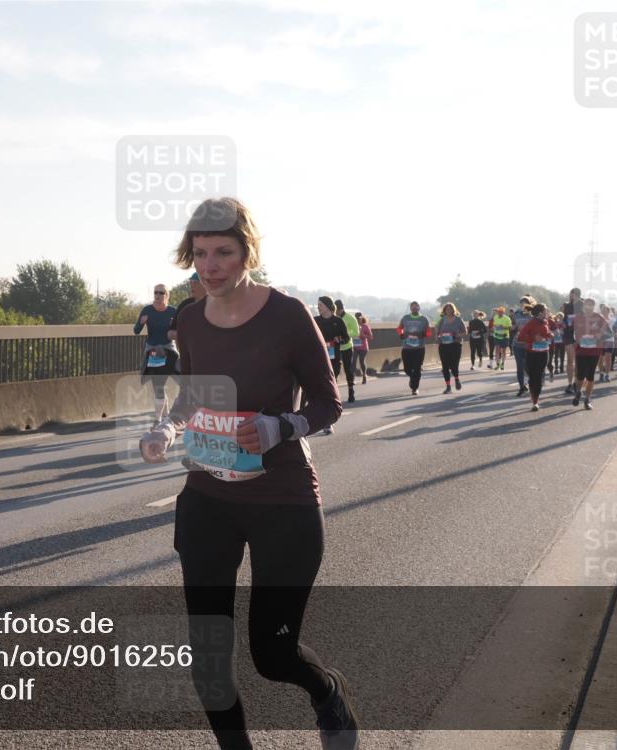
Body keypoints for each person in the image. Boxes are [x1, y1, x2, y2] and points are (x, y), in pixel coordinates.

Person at [138, 197, 358, 750]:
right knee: (209, 660)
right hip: (208, 500)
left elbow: (328, 405)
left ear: (248, 252)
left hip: (283, 501)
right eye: (200, 254)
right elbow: (194, 394)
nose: (209, 266)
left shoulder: (288, 315)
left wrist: (280, 426)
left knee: (274, 655)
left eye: (223, 252)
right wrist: (168, 428)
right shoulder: (189, 318)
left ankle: (327, 691)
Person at [134, 284, 178, 424]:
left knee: (181, 379)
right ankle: (163, 417)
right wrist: (141, 323)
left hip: (168, 349)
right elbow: (136, 330)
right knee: (158, 385)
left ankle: (162, 417)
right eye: (156, 293)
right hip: (153, 350)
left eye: (161, 293)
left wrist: (174, 326)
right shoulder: (147, 310)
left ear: (166, 295)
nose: (158, 295)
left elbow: (182, 332)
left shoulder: (173, 312)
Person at [313, 297, 348, 434]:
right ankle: (326, 422)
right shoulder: (315, 321)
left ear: (328, 306)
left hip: (334, 359)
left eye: (320, 305)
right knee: (321, 389)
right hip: (318, 359)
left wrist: (339, 339)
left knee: (329, 389)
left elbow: (346, 338)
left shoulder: (338, 321)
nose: (318, 307)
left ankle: (328, 420)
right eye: (317, 305)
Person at [572, 297, 612, 410]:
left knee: (590, 375)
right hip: (581, 350)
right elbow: (571, 332)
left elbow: (610, 333)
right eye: (587, 305)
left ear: (594, 306)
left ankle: (587, 399)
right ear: (583, 306)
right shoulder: (578, 318)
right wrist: (576, 339)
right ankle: (578, 392)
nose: (588, 307)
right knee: (580, 375)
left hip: (594, 351)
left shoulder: (599, 318)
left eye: (591, 305)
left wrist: (600, 335)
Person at [516, 303, 552, 411]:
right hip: (532, 353)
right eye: (546, 310)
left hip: (544, 353)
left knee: (539, 376)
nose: (548, 312)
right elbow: (520, 337)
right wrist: (533, 338)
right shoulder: (531, 323)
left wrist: (550, 335)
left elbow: (547, 334)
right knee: (533, 378)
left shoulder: (546, 322)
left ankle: (536, 400)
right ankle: (534, 401)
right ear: (541, 313)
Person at [396, 302, 431, 395]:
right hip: (407, 348)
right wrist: (401, 334)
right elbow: (399, 328)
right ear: (410, 308)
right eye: (413, 307)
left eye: (416, 307)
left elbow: (428, 333)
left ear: (419, 308)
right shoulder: (405, 318)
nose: (414, 308)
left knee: (417, 368)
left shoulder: (424, 319)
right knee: (407, 369)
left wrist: (422, 334)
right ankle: (412, 377)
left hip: (419, 348)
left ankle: (415, 388)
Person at [435, 303, 465, 393]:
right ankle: (448, 387)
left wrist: (458, 335)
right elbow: (436, 329)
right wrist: (437, 338)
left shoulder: (458, 320)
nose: (448, 310)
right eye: (447, 309)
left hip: (455, 345)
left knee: (454, 365)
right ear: (444, 311)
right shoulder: (442, 320)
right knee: (445, 366)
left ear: (453, 310)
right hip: (444, 345)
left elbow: (465, 331)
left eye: (450, 309)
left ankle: (456, 379)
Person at [169, 272, 206, 342]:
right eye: (191, 283)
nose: (192, 286)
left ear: (205, 284)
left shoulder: (217, 304)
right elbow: (170, 333)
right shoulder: (185, 305)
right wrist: (187, 335)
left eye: (195, 283)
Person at [510, 296, 536, 397]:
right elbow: (513, 327)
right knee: (519, 366)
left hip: (529, 344)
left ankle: (529, 383)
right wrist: (512, 327)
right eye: (521, 304)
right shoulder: (516, 314)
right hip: (517, 343)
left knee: (528, 366)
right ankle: (521, 386)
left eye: (525, 303)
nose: (523, 306)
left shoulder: (533, 315)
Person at [334, 300, 358, 403]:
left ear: (342, 309)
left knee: (348, 370)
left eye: (338, 310)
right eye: (336, 310)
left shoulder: (350, 318)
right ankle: (334, 394)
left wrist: (346, 334)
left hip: (347, 347)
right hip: (335, 348)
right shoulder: (333, 319)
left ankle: (351, 390)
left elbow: (356, 332)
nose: (337, 312)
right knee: (335, 371)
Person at [563, 288, 583, 394]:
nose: (572, 295)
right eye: (571, 294)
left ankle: (576, 382)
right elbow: (565, 319)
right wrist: (564, 323)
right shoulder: (567, 305)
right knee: (570, 361)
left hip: (580, 335)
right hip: (568, 335)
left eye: (574, 294)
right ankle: (569, 384)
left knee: (578, 361)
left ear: (578, 295)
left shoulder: (583, 305)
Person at [353, 312, 373, 384]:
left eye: (359, 318)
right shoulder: (354, 326)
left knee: (361, 361)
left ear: (362, 318)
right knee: (353, 361)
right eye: (356, 318)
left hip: (363, 347)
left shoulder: (365, 326)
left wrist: (363, 335)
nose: (358, 320)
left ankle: (364, 375)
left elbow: (370, 337)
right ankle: (353, 378)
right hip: (355, 346)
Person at [490, 306, 512, 371]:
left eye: (501, 312)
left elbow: (510, 328)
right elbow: (494, 326)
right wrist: (494, 328)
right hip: (496, 336)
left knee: (503, 351)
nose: (499, 313)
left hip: (504, 336)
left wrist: (503, 327)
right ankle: (497, 364)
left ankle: (502, 363)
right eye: (498, 312)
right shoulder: (495, 317)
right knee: (497, 349)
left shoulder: (507, 318)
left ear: (503, 312)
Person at [548, 312, 566, 379]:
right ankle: (556, 368)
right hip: (555, 341)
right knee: (556, 355)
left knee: (562, 355)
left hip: (562, 341)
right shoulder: (554, 323)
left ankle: (561, 367)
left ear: (562, 317)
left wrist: (562, 331)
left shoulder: (563, 323)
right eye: (558, 316)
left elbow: (565, 331)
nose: (559, 318)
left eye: (560, 316)